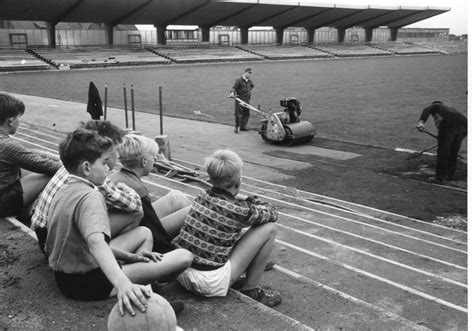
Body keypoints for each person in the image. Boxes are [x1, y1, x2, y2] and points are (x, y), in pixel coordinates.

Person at [45, 128, 193, 315]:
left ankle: (144, 286)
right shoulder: (91, 197)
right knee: (184, 256)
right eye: (104, 163)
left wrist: (130, 257)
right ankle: (145, 300)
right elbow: (95, 242)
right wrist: (123, 285)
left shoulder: (65, 189)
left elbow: (81, 241)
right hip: (88, 282)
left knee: (144, 232)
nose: (108, 168)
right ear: (86, 168)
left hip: (65, 275)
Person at [173, 149, 281, 307]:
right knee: (269, 229)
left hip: (181, 272)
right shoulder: (240, 211)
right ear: (238, 181)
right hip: (209, 283)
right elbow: (272, 212)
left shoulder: (202, 195)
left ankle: (251, 267)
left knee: (231, 231)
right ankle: (251, 289)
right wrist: (250, 198)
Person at [32, 120, 143, 255]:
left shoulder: (75, 163)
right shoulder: (94, 176)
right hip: (59, 245)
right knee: (136, 214)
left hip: (44, 235)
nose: (118, 156)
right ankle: (106, 255)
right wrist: (128, 189)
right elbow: (134, 205)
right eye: (116, 150)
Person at [109, 134, 192, 253]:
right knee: (193, 210)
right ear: (144, 161)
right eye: (153, 157)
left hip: (125, 230)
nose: (156, 160)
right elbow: (154, 232)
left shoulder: (117, 176)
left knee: (176, 197)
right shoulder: (137, 188)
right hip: (133, 237)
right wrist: (172, 252)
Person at [0, 92, 61, 219]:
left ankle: (25, 209)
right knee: (47, 174)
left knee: (28, 164)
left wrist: (57, 158)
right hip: (2, 202)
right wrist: (68, 165)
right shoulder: (6, 145)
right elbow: (47, 166)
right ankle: (29, 213)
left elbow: (30, 153)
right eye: (19, 117)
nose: (19, 121)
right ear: (11, 121)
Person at [416, 101, 467, 182]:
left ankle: (439, 178)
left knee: (443, 152)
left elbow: (426, 109)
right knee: (453, 152)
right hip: (464, 125)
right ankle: (450, 176)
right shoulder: (450, 109)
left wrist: (421, 123)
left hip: (449, 123)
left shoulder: (436, 105)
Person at [229, 68, 254, 133]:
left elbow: (252, 86)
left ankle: (243, 127)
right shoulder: (239, 80)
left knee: (246, 113)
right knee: (238, 114)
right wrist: (232, 92)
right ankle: (237, 127)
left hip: (247, 100)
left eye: (250, 73)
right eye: (249, 73)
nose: (250, 74)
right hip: (239, 100)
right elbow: (234, 87)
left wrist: (248, 91)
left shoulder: (249, 81)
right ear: (245, 73)